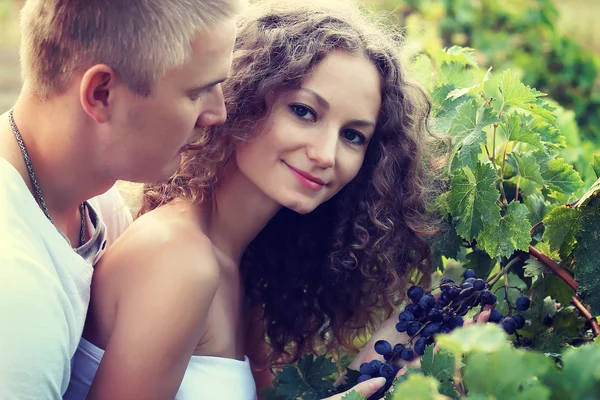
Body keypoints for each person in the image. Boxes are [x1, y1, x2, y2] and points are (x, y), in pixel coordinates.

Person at [65, 0, 445, 399]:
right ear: (244, 98)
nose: (325, 154)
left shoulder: (238, 265)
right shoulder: (178, 257)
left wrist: (385, 358)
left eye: (353, 135)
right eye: (304, 111)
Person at [0, 0, 243, 398]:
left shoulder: (97, 204)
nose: (218, 113)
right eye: (198, 91)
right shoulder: (15, 297)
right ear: (101, 93)